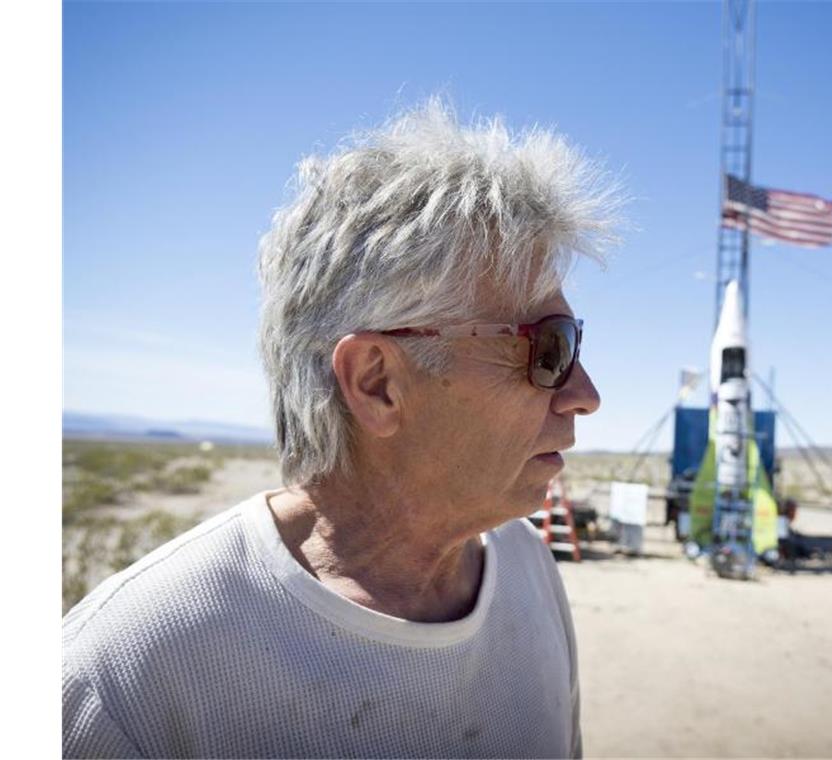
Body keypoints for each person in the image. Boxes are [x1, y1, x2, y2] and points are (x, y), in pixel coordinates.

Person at [62, 98, 624, 758]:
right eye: (548, 348)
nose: (585, 396)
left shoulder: (530, 569)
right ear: (377, 384)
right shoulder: (125, 678)